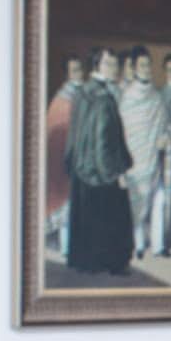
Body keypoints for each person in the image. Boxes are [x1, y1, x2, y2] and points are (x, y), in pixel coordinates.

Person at [64, 45, 133, 275]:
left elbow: (73, 136)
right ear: (97, 65)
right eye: (108, 64)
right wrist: (115, 174)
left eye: (115, 64)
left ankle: (87, 263)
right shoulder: (104, 98)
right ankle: (112, 265)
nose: (114, 68)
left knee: (87, 220)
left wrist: (73, 164)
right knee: (113, 218)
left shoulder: (81, 92)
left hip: (81, 171)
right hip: (101, 172)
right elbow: (103, 141)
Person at [119, 45, 171, 259]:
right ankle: (139, 244)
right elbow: (124, 130)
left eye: (148, 65)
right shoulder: (128, 98)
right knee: (138, 203)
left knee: (159, 200)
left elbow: (166, 123)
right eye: (142, 65)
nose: (146, 69)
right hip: (136, 159)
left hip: (155, 158)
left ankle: (159, 246)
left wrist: (165, 136)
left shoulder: (156, 96)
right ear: (134, 68)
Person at [45, 54, 86, 257]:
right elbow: (54, 130)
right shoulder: (61, 101)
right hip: (64, 161)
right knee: (65, 208)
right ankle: (66, 248)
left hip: (82, 160)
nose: (79, 74)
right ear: (67, 75)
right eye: (74, 71)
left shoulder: (85, 96)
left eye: (80, 69)